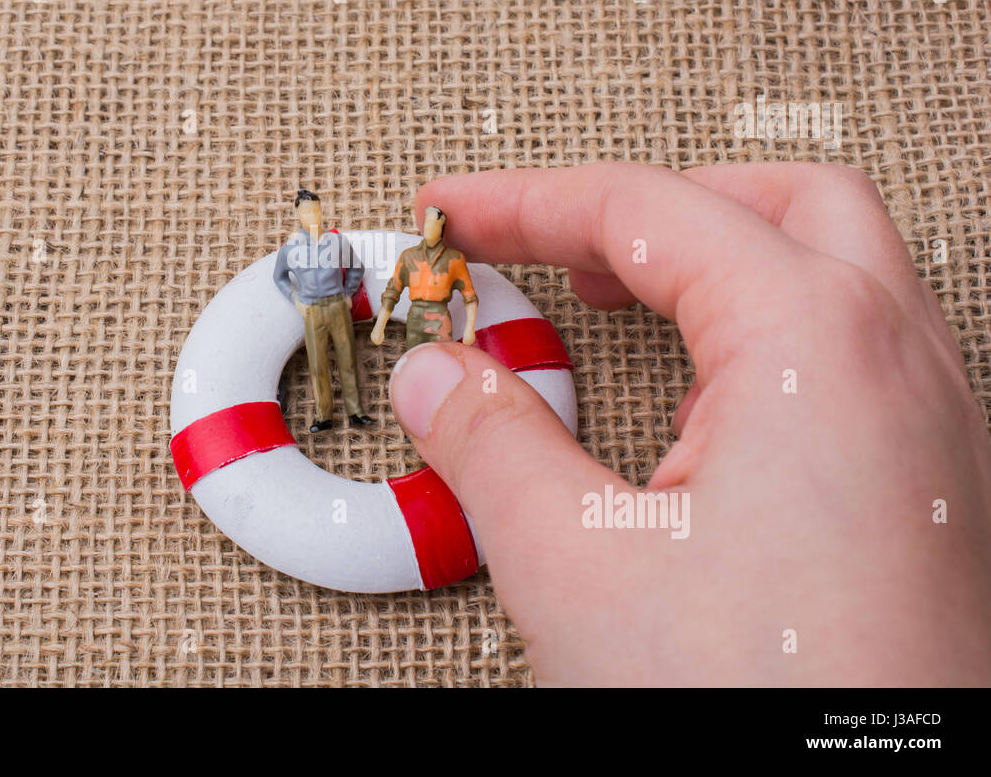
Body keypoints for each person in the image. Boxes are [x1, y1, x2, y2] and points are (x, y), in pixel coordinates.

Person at [386, 162, 991, 685]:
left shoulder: (450, 266)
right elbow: (390, 291)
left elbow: (465, 292)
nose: (436, 228)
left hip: (442, 323)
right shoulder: (409, 261)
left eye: (442, 222)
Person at [273, 189, 373, 432]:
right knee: (318, 364)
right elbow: (279, 278)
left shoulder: (337, 242)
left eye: (316, 209)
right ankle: (324, 415)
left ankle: (355, 411)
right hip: (312, 310)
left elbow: (357, 268)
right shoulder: (290, 248)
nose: (313, 215)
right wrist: (295, 299)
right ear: (298, 214)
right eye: (307, 210)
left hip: (337, 306)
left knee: (347, 358)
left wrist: (349, 293)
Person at [371, 205, 478, 349]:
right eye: (427, 222)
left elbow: (469, 296)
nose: (429, 227)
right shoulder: (408, 256)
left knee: (442, 358)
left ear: (442, 228)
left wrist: (470, 328)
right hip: (415, 318)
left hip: (440, 318)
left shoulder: (455, 259)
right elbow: (392, 292)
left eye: (433, 223)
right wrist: (379, 325)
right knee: (413, 358)